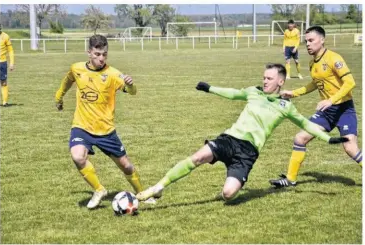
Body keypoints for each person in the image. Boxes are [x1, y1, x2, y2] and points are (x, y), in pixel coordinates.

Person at [136, 63, 348, 203]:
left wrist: (328, 138)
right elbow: (234, 94)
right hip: (230, 139)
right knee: (198, 157)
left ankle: (231, 180)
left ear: (281, 82)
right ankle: (158, 187)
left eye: (269, 78)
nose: (264, 81)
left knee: (228, 195)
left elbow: (306, 124)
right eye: (264, 77)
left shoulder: (286, 106)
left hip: (248, 153)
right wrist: (210, 88)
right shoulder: (253, 92)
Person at [55, 34, 154, 209]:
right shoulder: (76, 69)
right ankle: (99, 190)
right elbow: (67, 80)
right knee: (78, 156)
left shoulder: (113, 74)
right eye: (97, 54)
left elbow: (132, 92)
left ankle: (142, 195)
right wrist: (59, 97)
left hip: (106, 131)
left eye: (104, 55)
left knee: (126, 166)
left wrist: (130, 85)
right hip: (82, 126)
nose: (101, 58)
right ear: (89, 53)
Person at [270, 26, 361, 188]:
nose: (308, 44)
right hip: (327, 112)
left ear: (322, 40)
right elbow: (314, 84)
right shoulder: (313, 64)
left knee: (350, 147)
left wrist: (331, 100)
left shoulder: (334, 58)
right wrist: (294, 93)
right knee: (300, 138)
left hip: (344, 109)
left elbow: (350, 83)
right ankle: (290, 179)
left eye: (311, 40)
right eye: (306, 41)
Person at [0, 26, 15, 107]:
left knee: (4, 82)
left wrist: (12, 63)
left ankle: (5, 102)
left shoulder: (5, 36)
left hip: (2, 63)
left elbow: (10, 50)